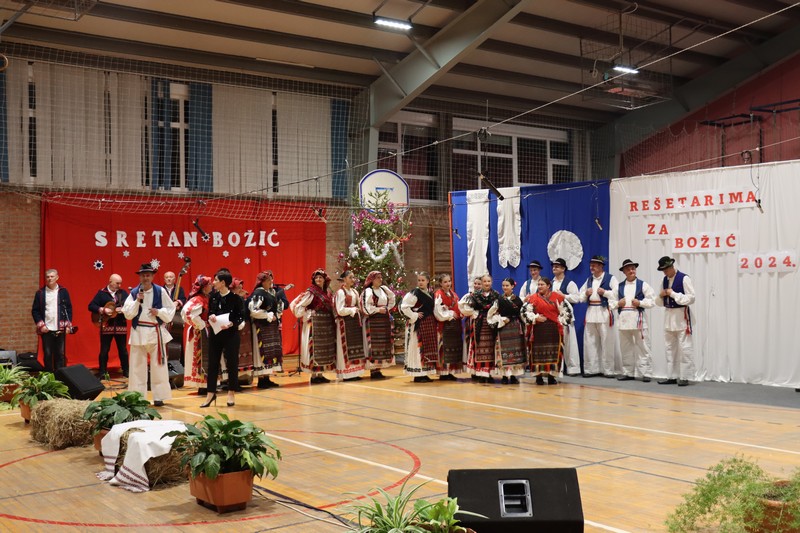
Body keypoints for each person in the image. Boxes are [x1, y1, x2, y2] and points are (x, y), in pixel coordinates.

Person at [122, 263, 176, 406]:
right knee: (137, 367)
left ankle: (159, 396)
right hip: (138, 332)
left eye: (148, 275)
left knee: (159, 366)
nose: (145, 278)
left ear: (152, 277)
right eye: (143, 275)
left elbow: (170, 310)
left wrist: (158, 312)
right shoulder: (134, 293)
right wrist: (137, 301)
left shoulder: (160, 291)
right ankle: (137, 397)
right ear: (139, 277)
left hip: (154, 331)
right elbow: (128, 314)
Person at [202, 268, 246, 407]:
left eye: (216, 280)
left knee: (232, 363)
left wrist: (232, 323)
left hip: (231, 334)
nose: (213, 283)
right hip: (216, 333)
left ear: (223, 282)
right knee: (212, 364)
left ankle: (231, 392)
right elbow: (211, 312)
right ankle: (210, 393)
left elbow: (241, 317)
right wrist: (211, 316)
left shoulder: (236, 298)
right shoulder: (213, 297)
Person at [290, 269, 337, 384]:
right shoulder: (311, 292)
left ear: (324, 279)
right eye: (316, 278)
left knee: (324, 350)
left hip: (326, 325)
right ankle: (314, 376)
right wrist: (309, 313)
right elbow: (297, 306)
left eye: (320, 277)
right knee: (315, 350)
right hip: (315, 324)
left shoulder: (327, 292)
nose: (318, 279)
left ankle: (320, 374)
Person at [575, 255, 620, 378]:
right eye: (591, 265)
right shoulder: (589, 280)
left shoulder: (610, 278)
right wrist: (586, 293)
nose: (591, 267)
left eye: (594, 265)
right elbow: (579, 297)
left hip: (604, 311)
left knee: (607, 341)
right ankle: (591, 369)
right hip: (591, 312)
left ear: (601, 266)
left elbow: (617, 294)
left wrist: (605, 293)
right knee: (590, 341)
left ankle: (608, 370)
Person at [611, 259, 655, 382]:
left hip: (638, 320)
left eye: (633, 268)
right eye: (628, 269)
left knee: (643, 347)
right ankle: (628, 372)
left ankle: (646, 373)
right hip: (624, 320)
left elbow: (652, 301)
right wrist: (618, 304)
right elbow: (610, 302)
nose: (631, 271)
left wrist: (640, 303)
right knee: (625, 347)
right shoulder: (618, 287)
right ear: (624, 272)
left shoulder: (643, 285)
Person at [655, 256, 696, 387]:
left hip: (681, 316)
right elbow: (659, 303)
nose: (665, 272)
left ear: (672, 266)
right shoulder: (664, 280)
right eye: (663, 270)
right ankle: (671, 375)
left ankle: (685, 376)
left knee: (685, 348)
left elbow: (691, 298)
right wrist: (661, 295)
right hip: (669, 317)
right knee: (669, 348)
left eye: (666, 269)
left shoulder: (684, 278)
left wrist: (673, 294)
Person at [523, 277, 566, 385]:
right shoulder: (533, 298)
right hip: (538, 330)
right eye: (539, 284)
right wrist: (536, 317)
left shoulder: (557, 297)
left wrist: (559, 320)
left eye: (542, 284)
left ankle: (552, 376)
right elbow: (525, 312)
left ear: (548, 286)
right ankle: (538, 377)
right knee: (537, 354)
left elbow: (565, 311)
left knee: (554, 353)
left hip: (553, 330)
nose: (540, 286)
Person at [31, 268, 74, 373]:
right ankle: (49, 376)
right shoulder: (40, 293)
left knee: (60, 354)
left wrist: (68, 325)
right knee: (48, 354)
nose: (50, 278)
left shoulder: (63, 291)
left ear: (57, 277)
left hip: (60, 328)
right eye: (48, 277)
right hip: (47, 328)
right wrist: (41, 325)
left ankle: (60, 376)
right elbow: (35, 311)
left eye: (52, 276)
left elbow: (68, 309)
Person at [88, 273, 129, 378]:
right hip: (106, 326)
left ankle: (126, 371)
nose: (119, 285)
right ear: (110, 282)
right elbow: (91, 306)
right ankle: (103, 372)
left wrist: (123, 309)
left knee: (123, 350)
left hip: (120, 325)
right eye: (117, 283)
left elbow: (130, 306)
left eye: (120, 283)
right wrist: (102, 309)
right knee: (104, 350)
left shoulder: (123, 293)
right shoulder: (102, 293)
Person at [400, 272, 439, 383]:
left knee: (426, 349)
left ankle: (424, 373)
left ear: (428, 281)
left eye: (423, 280)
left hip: (428, 324)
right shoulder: (414, 293)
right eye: (419, 280)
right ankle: (417, 374)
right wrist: (414, 315)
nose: (420, 282)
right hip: (417, 326)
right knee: (417, 348)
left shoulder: (430, 293)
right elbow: (404, 307)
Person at [247, 271, 284, 389]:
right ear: (262, 282)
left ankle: (267, 378)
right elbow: (253, 311)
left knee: (270, 351)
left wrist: (276, 314)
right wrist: (267, 315)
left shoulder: (270, 292)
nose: (270, 282)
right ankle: (261, 380)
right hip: (261, 327)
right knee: (261, 351)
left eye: (270, 280)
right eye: (268, 280)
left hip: (270, 326)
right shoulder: (258, 293)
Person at [488, 277, 526, 384]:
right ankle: (504, 376)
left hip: (515, 327)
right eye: (503, 285)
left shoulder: (518, 300)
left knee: (515, 351)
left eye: (507, 285)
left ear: (512, 286)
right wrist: (500, 320)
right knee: (503, 351)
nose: (505, 287)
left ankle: (513, 376)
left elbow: (521, 314)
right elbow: (491, 313)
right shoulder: (499, 300)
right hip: (503, 327)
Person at [464, 274, 500, 383]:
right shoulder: (475, 295)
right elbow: (466, 307)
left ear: (491, 282)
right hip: (479, 322)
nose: (487, 283)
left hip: (491, 323)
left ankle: (489, 373)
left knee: (490, 347)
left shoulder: (496, 295)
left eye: (488, 281)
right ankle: (480, 373)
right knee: (479, 346)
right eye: (485, 281)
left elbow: (499, 308)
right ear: (482, 283)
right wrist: (475, 313)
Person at [361, 271, 396, 380]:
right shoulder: (368, 291)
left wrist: (386, 309)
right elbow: (365, 307)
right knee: (374, 345)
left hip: (383, 320)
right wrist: (377, 310)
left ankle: (378, 369)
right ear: (372, 280)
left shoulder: (384, 290)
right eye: (377, 278)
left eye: (381, 277)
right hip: (373, 321)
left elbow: (392, 300)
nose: (380, 279)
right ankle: (373, 370)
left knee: (383, 344)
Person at [334, 270, 366, 381]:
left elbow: (359, 306)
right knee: (346, 348)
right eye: (350, 277)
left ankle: (355, 372)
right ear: (344, 279)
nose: (353, 279)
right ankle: (346, 374)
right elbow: (340, 310)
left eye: (353, 277)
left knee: (356, 347)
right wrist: (352, 310)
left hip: (354, 322)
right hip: (344, 322)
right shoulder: (340, 292)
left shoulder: (354, 292)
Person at [181, 274, 212, 388]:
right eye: (209, 284)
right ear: (204, 287)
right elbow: (187, 312)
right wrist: (201, 324)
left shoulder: (206, 298)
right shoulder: (198, 299)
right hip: (199, 332)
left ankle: (206, 383)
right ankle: (201, 384)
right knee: (200, 357)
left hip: (205, 330)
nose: (211, 286)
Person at [551, 258, 580, 376]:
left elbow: (577, 298)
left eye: (557, 266)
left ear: (563, 269)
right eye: (553, 266)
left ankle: (573, 368)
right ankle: (558, 368)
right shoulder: (551, 283)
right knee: (556, 342)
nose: (554, 268)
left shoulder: (570, 283)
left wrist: (564, 296)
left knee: (569, 342)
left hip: (566, 317)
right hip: (553, 317)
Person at [433, 273, 463, 381]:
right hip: (444, 326)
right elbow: (438, 312)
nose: (448, 283)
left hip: (454, 327)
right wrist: (450, 314)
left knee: (453, 349)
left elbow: (459, 307)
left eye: (449, 281)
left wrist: (460, 313)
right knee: (444, 349)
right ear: (440, 283)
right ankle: (443, 372)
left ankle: (450, 371)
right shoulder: (438, 295)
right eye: (445, 282)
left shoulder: (454, 294)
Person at [458, 277, 482, 381]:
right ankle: (473, 371)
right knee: (471, 346)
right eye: (475, 283)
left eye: (479, 284)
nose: (476, 285)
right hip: (471, 323)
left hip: (483, 323)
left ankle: (482, 370)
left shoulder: (487, 296)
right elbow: (461, 307)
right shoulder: (469, 296)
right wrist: (473, 312)